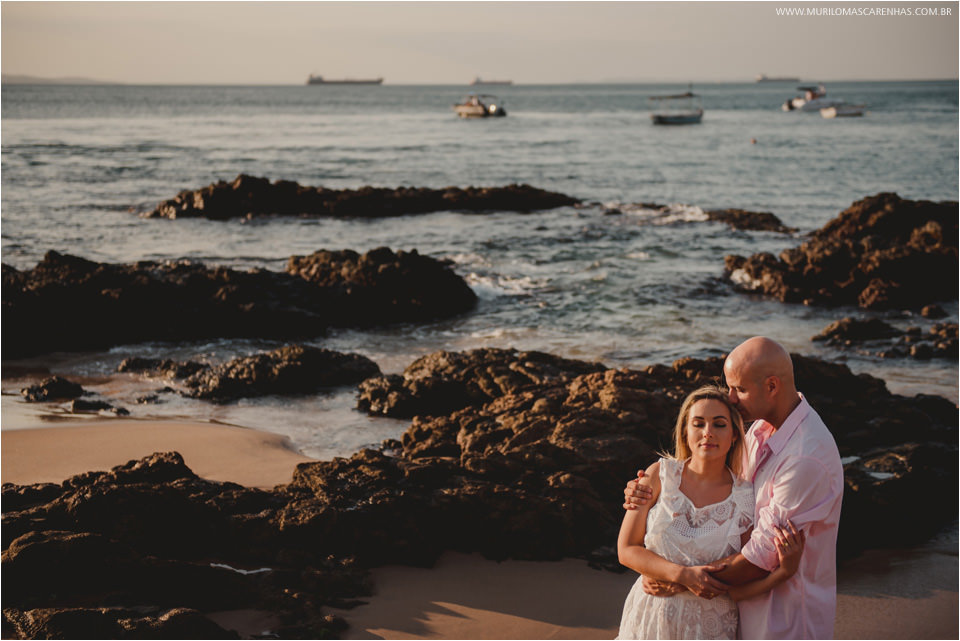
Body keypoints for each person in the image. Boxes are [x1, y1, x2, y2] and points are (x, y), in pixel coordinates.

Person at [623, 337, 844, 639]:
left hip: (784, 619)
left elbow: (761, 556)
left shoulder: (805, 457)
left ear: (771, 386)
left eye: (739, 389)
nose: (732, 399)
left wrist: (677, 581)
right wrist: (643, 493)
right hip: (732, 612)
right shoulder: (760, 432)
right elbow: (715, 479)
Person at [616, 384, 806, 639]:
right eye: (698, 423)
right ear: (685, 431)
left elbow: (737, 588)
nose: (708, 433)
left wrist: (783, 573)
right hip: (649, 618)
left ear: (735, 435)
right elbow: (626, 549)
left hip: (709, 628)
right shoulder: (658, 475)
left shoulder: (745, 498)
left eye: (719, 424)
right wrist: (681, 575)